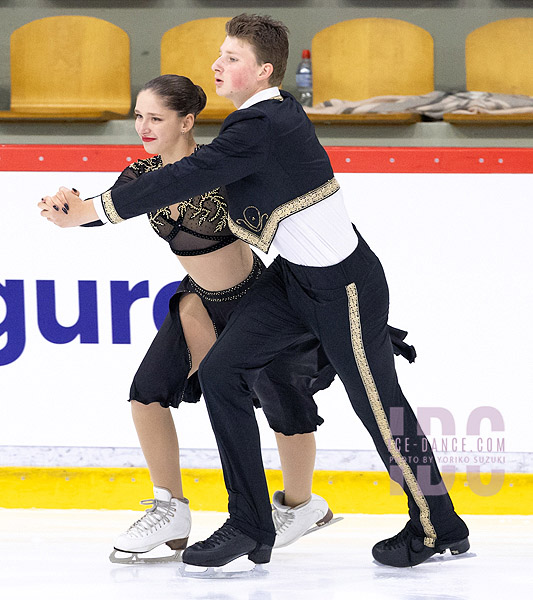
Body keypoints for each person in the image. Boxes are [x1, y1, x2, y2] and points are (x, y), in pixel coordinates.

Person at [39, 14, 469, 570]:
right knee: (220, 372)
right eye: (219, 55)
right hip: (293, 280)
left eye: (233, 57)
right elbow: (173, 176)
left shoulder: (265, 124)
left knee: (381, 410)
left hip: (344, 287)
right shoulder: (255, 123)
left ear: (264, 70)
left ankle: (438, 525)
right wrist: (90, 213)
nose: (218, 64)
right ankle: (249, 524)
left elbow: (185, 177)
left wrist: (93, 211)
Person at [39, 73, 340, 563]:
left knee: (284, 408)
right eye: (138, 116)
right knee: (148, 393)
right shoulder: (142, 176)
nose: (144, 126)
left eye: (156, 118)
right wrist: (67, 211)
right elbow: (102, 212)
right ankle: (170, 508)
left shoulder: (222, 170)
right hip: (199, 299)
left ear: (187, 121)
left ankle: (301, 505)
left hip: (256, 301)